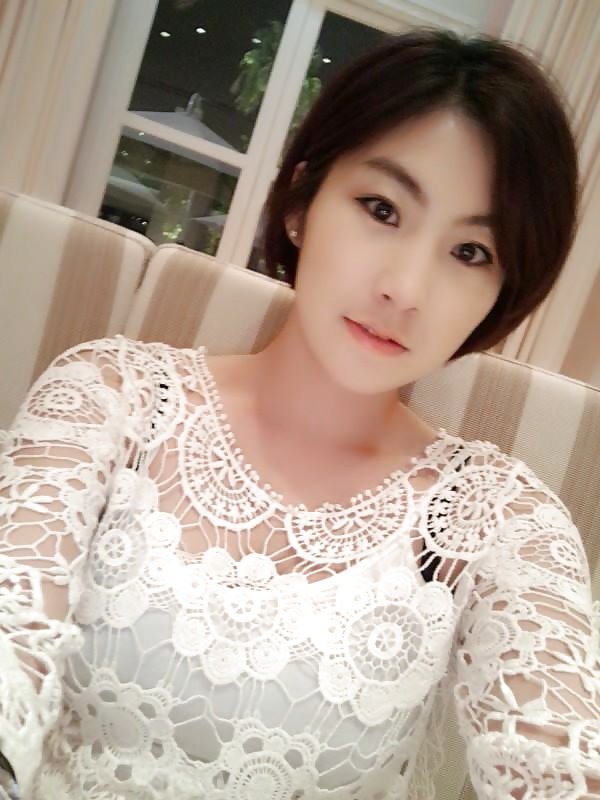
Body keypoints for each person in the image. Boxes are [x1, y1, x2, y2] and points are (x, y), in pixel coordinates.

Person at [0, 27, 599, 800]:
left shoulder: (497, 522)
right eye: (382, 208)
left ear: (501, 294)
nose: (405, 289)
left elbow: (556, 759)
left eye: (470, 253)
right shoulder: (111, 399)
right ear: (301, 203)